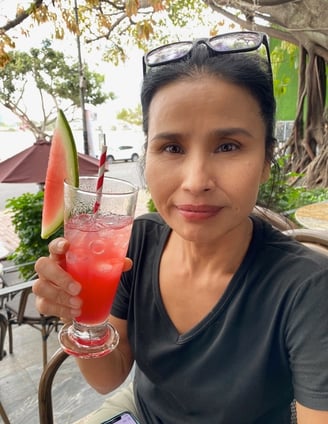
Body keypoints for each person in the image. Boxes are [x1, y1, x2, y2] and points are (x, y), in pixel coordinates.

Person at [33, 31, 328, 424]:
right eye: (171, 148)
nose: (195, 181)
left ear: (266, 161)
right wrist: (79, 315)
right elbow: (109, 377)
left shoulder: (307, 290)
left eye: (228, 146)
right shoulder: (135, 243)